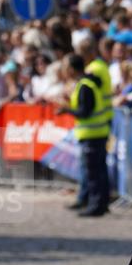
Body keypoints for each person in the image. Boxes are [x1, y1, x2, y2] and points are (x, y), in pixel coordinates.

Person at [54, 53, 112, 217]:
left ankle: (96, 205)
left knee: (94, 172)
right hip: (96, 133)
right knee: (98, 171)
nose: (64, 70)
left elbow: (84, 112)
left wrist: (66, 110)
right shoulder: (87, 83)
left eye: (66, 67)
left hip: (92, 134)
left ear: (72, 69)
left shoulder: (85, 85)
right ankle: (99, 204)